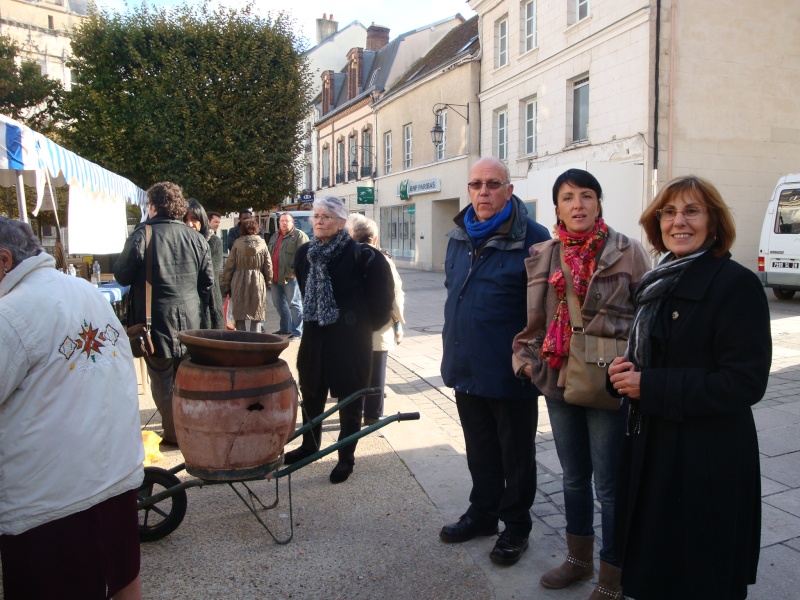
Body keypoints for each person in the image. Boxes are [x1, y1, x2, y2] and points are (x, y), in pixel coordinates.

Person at [608, 176, 771, 600]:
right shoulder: (656, 282)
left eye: (692, 211)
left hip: (706, 459)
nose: (679, 221)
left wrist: (651, 385)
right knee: (655, 569)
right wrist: (623, 376)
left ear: (713, 222)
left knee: (701, 574)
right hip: (653, 448)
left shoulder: (735, 284)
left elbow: (745, 382)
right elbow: (652, 356)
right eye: (669, 212)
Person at [511, 169, 650, 597]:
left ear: (599, 203)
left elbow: (648, 318)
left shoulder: (627, 251)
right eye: (568, 197)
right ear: (556, 207)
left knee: (608, 484)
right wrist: (526, 362)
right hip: (556, 378)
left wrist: (640, 370)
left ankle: (612, 574)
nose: (578, 205)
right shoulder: (544, 254)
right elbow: (532, 318)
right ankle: (577, 560)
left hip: (609, 382)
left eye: (586, 196)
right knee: (573, 477)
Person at [0, 218, 144, 599]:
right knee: (122, 581)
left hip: (52, 496)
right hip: (112, 472)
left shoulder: (10, 314)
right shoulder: (82, 290)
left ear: (2, 260)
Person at [440, 157, 550, 566]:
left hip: (511, 372)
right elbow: (456, 292)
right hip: (465, 364)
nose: (483, 192)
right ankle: (483, 514)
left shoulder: (534, 240)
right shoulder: (458, 236)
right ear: (468, 190)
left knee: (516, 456)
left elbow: (546, 311)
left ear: (509, 189)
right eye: (476, 184)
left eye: (492, 184)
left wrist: (528, 360)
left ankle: (516, 528)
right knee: (479, 450)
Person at [285, 196, 393, 484]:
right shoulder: (305, 253)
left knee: (350, 400)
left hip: (350, 342)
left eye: (327, 216)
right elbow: (305, 292)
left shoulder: (365, 256)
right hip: (314, 338)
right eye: (316, 216)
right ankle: (310, 444)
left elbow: (383, 305)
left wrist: (357, 327)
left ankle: (346, 457)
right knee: (311, 392)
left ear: (343, 222)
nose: (319, 221)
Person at [114, 181, 213, 446]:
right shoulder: (196, 238)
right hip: (190, 322)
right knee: (187, 381)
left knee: (162, 381)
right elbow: (207, 284)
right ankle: (190, 429)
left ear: (154, 206)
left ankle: (175, 434)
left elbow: (121, 274)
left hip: (154, 323)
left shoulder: (142, 234)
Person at [346, 214, 405, 426]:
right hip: (378, 324)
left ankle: (352, 410)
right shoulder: (383, 260)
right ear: (375, 238)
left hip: (351, 325)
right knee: (376, 370)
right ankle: (372, 414)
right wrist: (398, 320)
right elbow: (395, 294)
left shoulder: (344, 259)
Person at [221, 218, 272, 332]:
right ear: (256, 229)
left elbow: (229, 266)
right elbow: (268, 265)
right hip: (257, 280)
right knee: (257, 315)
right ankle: (255, 344)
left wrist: (226, 284)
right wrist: (269, 280)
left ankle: (242, 343)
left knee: (240, 316)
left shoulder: (236, 244)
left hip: (238, 280)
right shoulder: (263, 244)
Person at [267, 212, 309, 339]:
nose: (284, 223)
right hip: (275, 276)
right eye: (282, 221)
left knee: (294, 304)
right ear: (279, 223)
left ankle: (298, 331)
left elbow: (305, 256)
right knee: (278, 303)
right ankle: (285, 328)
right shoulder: (275, 236)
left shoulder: (299, 236)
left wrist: (295, 273)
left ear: (292, 222)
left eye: (287, 221)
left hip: (290, 277)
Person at [184, 198, 224, 329]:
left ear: (202, 220)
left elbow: (209, 273)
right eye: (185, 219)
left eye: (194, 219)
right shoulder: (179, 243)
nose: (189, 224)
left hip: (208, 301)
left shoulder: (213, 242)